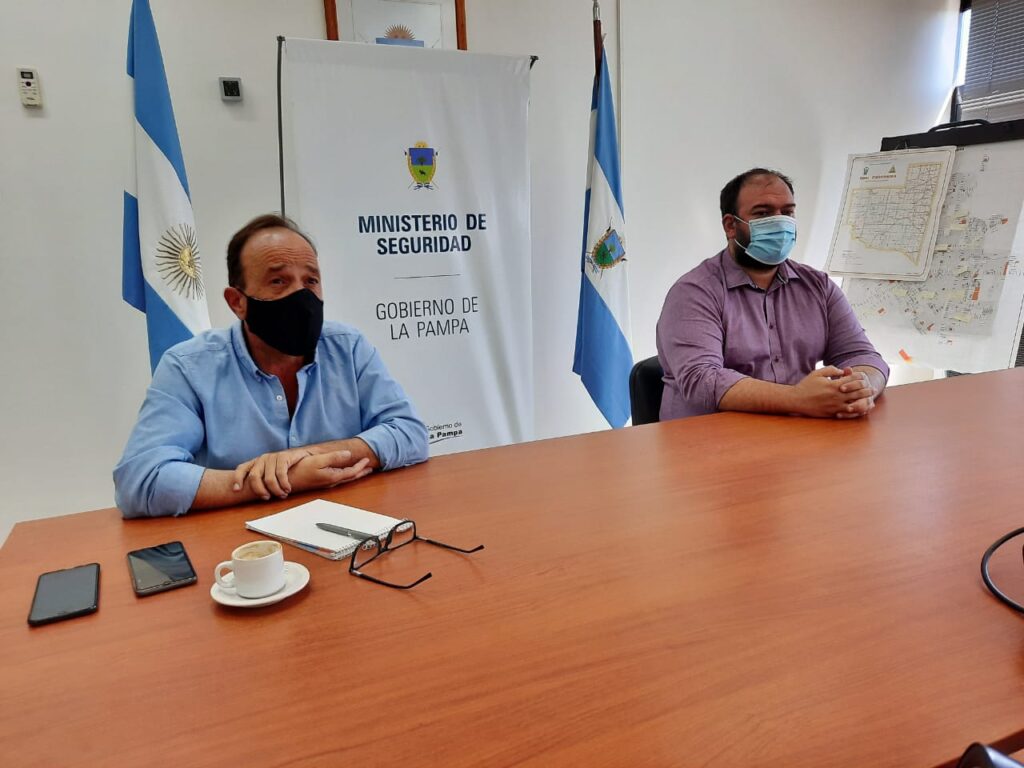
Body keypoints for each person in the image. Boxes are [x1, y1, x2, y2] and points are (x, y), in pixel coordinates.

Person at [114, 214, 428, 518]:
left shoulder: (348, 347)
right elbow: (140, 480)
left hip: (348, 527)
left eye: (311, 280)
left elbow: (410, 433)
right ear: (237, 302)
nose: (301, 295)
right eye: (278, 280)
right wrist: (272, 480)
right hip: (240, 543)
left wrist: (307, 455)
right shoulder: (188, 367)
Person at [656, 168, 888, 421]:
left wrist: (862, 388)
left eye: (787, 212)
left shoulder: (818, 286)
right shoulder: (694, 292)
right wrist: (798, 398)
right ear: (731, 226)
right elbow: (702, 379)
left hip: (795, 431)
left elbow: (861, 355)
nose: (780, 223)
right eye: (763, 213)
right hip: (708, 437)